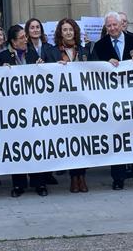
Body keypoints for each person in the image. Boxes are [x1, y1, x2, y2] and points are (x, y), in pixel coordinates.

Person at [91, 11, 133, 190]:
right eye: (108, 26)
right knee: (117, 138)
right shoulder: (100, 45)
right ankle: (118, 177)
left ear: (121, 24)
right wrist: (105, 64)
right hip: (112, 101)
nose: (112, 28)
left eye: (114, 25)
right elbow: (94, 68)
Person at [0, 25, 50, 197]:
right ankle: (19, 184)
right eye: (21, 38)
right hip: (14, 112)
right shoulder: (3, 57)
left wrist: (41, 67)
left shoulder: (32, 53)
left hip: (33, 109)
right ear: (13, 41)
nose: (25, 40)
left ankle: (39, 183)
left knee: (36, 146)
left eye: (25, 37)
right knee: (17, 147)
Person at [54, 18, 91, 192]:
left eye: (71, 30)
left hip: (82, 103)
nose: (68, 32)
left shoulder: (84, 50)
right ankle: (73, 177)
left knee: (82, 141)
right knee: (70, 142)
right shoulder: (52, 52)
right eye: (65, 30)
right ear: (60, 33)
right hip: (63, 104)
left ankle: (82, 177)